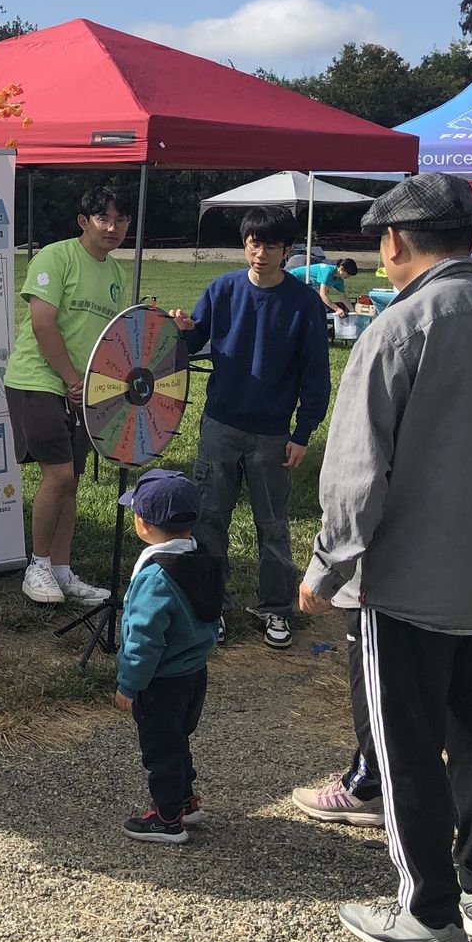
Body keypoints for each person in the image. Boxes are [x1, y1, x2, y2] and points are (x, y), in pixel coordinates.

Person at [297, 173, 472, 942]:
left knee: (407, 746)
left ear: (393, 243)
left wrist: (325, 567)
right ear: (471, 238)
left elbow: (356, 474)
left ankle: (427, 913)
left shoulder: (396, 330)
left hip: (408, 580)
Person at [171, 207, 331, 650]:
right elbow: (192, 341)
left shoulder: (303, 303)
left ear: (287, 251)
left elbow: (316, 375)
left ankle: (276, 607)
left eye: (271, 246)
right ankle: (212, 607)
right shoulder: (222, 289)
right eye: (253, 244)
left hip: (273, 433)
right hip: (220, 425)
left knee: (273, 524)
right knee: (209, 519)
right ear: (245, 244)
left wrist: (303, 433)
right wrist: (182, 329)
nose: (261, 254)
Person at [3, 186, 132, 607]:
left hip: (81, 389)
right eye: (103, 219)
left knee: (72, 481)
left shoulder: (116, 274)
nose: (112, 228)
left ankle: (61, 570)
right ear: (84, 221)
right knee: (58, 476)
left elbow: (111, 338)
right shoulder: (55, 257)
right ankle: (37, 567)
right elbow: (43, 324)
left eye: (121, 220)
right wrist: (73, 380)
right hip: (37, 380)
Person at [112, 469, 224, 845]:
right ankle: (186, 801)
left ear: (143, 524)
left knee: (160, 750)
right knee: (177, 740)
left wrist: (129, 683)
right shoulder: (201, 560)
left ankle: (167, 818)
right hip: (194, 673)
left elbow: (143, 638)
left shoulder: (154, 578)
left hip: (160, 681)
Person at [292, 256, 360, 314]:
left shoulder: (339, 280)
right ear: (341, 268)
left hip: (304, 285)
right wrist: (337, 309)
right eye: (348, 274)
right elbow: (323, 295)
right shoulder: (328, 271)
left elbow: (343, 297)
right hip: (293, 278)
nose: (348, 277)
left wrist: (353, 311)